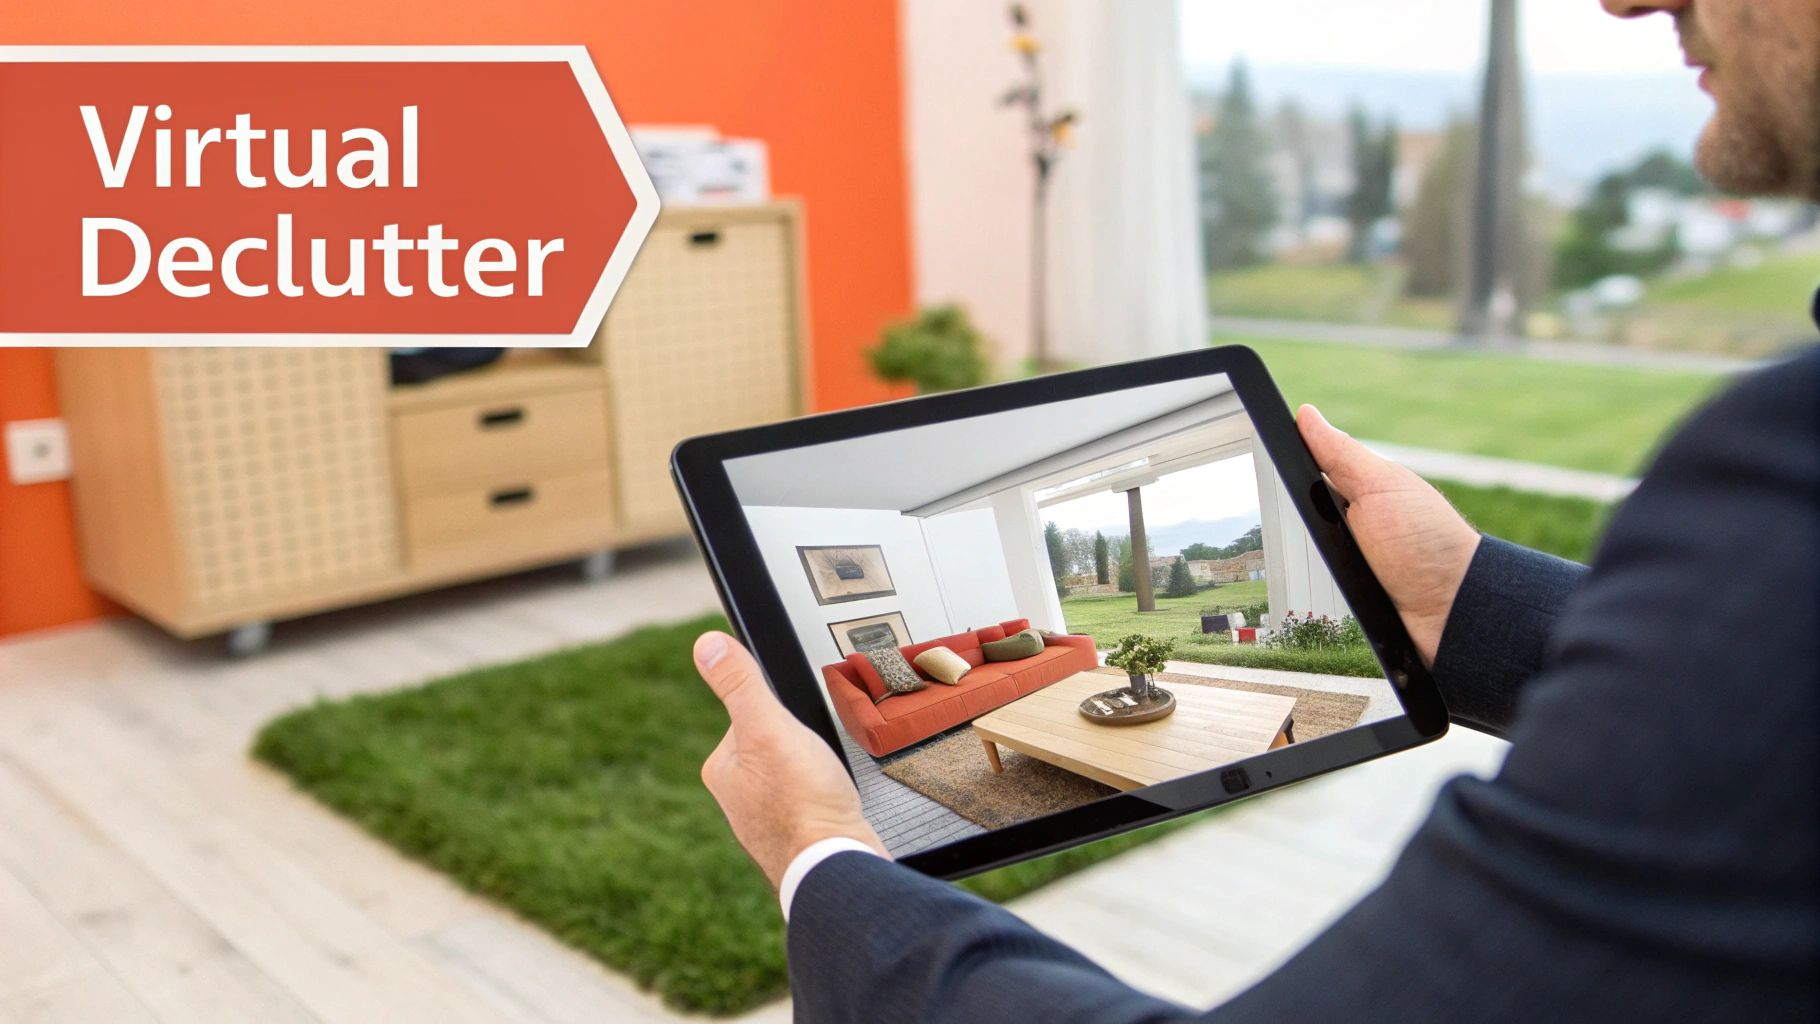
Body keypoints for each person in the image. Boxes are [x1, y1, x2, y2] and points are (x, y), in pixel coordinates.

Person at [691, 0, 1819, 1018]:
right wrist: (1455, 599)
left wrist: (822, 853)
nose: (1621, 1)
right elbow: (1764, 717)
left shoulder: (1780, 460)